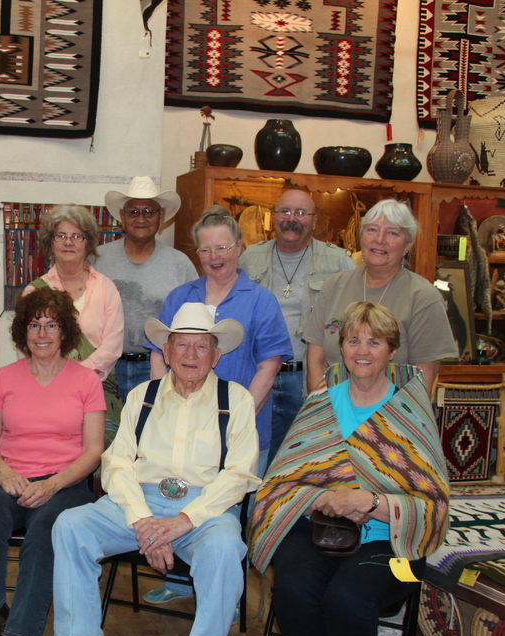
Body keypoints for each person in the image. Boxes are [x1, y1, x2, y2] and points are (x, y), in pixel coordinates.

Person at [51, 303, 260, 636]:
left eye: (201, 346)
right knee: (71, 525)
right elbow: (117, 464)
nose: (190, 355)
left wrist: (182, 521)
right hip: (139, 502)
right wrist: (143, 521)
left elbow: (239, 475)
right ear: (166, 351)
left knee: (226, 549)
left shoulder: (237, 400)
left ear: (216, 354)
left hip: (204, 511)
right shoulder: (142, 396)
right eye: (181, 345)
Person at [250, 302, 450, 636]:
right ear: (340, 348)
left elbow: (434, 504)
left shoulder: (410, 410)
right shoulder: (320, 403)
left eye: (375, 342)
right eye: (353, 340)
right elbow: (279, 484)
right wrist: (322, 497)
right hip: (316, 529)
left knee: (348, 599)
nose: (362, 351)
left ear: (392, 351)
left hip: (392, 543)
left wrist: (369, 502)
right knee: (293, 590)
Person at [0, 287, 105, 636]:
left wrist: (52, 484)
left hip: (65, 484)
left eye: (51, 325)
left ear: (65, 332)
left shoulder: (86, 381)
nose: (42, 334)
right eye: (33, 325)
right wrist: (6, 474)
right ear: (22, 331)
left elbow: (94, 450)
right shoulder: (4, 379)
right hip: (10, 477)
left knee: (47, 532)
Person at [147, 205, 292, 471]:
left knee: (230, 508)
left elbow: (268, 368)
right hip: (180, 431)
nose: (214, 256)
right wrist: (164, 407)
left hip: (241, 432)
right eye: (205, 249)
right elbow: (158, 352)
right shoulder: (180, 296)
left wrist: (236, 422)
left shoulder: (261, 300)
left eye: (222, 248)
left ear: (239, 248)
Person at [239, 189, 354, 464]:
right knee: (254, 455)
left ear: (314, 221)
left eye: (301, 213)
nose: (292, 219)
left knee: (307, 459)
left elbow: (354, 320)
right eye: (285, 212)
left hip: (309, 378)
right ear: (273, 217)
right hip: (257, 375)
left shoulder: (339, 262)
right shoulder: (247, 259)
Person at [304, 199, 457, 395]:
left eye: (392, 233)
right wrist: (325, 413)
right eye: (372, 230)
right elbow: (315, 361)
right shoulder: (334, 286)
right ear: (362, 236)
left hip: (393, 418)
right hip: (334, 413)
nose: (379, 239)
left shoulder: (423, 297)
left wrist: (381, 424)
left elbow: (423, 379)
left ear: (408, 244)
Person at [23, 204, 123, 443]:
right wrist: (57, 381)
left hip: (96, 390)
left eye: (77, 236)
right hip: (46, 391)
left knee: (93, 460)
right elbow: (25, 346)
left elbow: (112, 345)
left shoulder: (105, 287)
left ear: (88, 244)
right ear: (50, 244)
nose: (69, 242)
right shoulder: (34, 291)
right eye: (61, 236)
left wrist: (76, 378)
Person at [96, 176, 198, 402]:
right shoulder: (98, 259)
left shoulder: (180, 264)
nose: (141, 218)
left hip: (160, 369)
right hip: (106, 370)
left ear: (161, 216)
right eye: (133, 212)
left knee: (152, 434)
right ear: (122, 216)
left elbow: (196, 323)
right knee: (107, 434)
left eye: (148, 212)